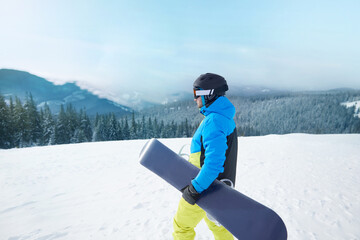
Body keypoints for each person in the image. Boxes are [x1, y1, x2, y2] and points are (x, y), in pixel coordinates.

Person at [173, 73, 238, 240]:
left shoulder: (214, 121)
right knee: (218, 227)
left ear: (208, 94)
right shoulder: (223, 119)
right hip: (217, 188)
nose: (194, 99)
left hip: (203, 187)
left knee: (182, 226)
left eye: (196, 93)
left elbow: (214, 164)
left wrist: (195, 189)